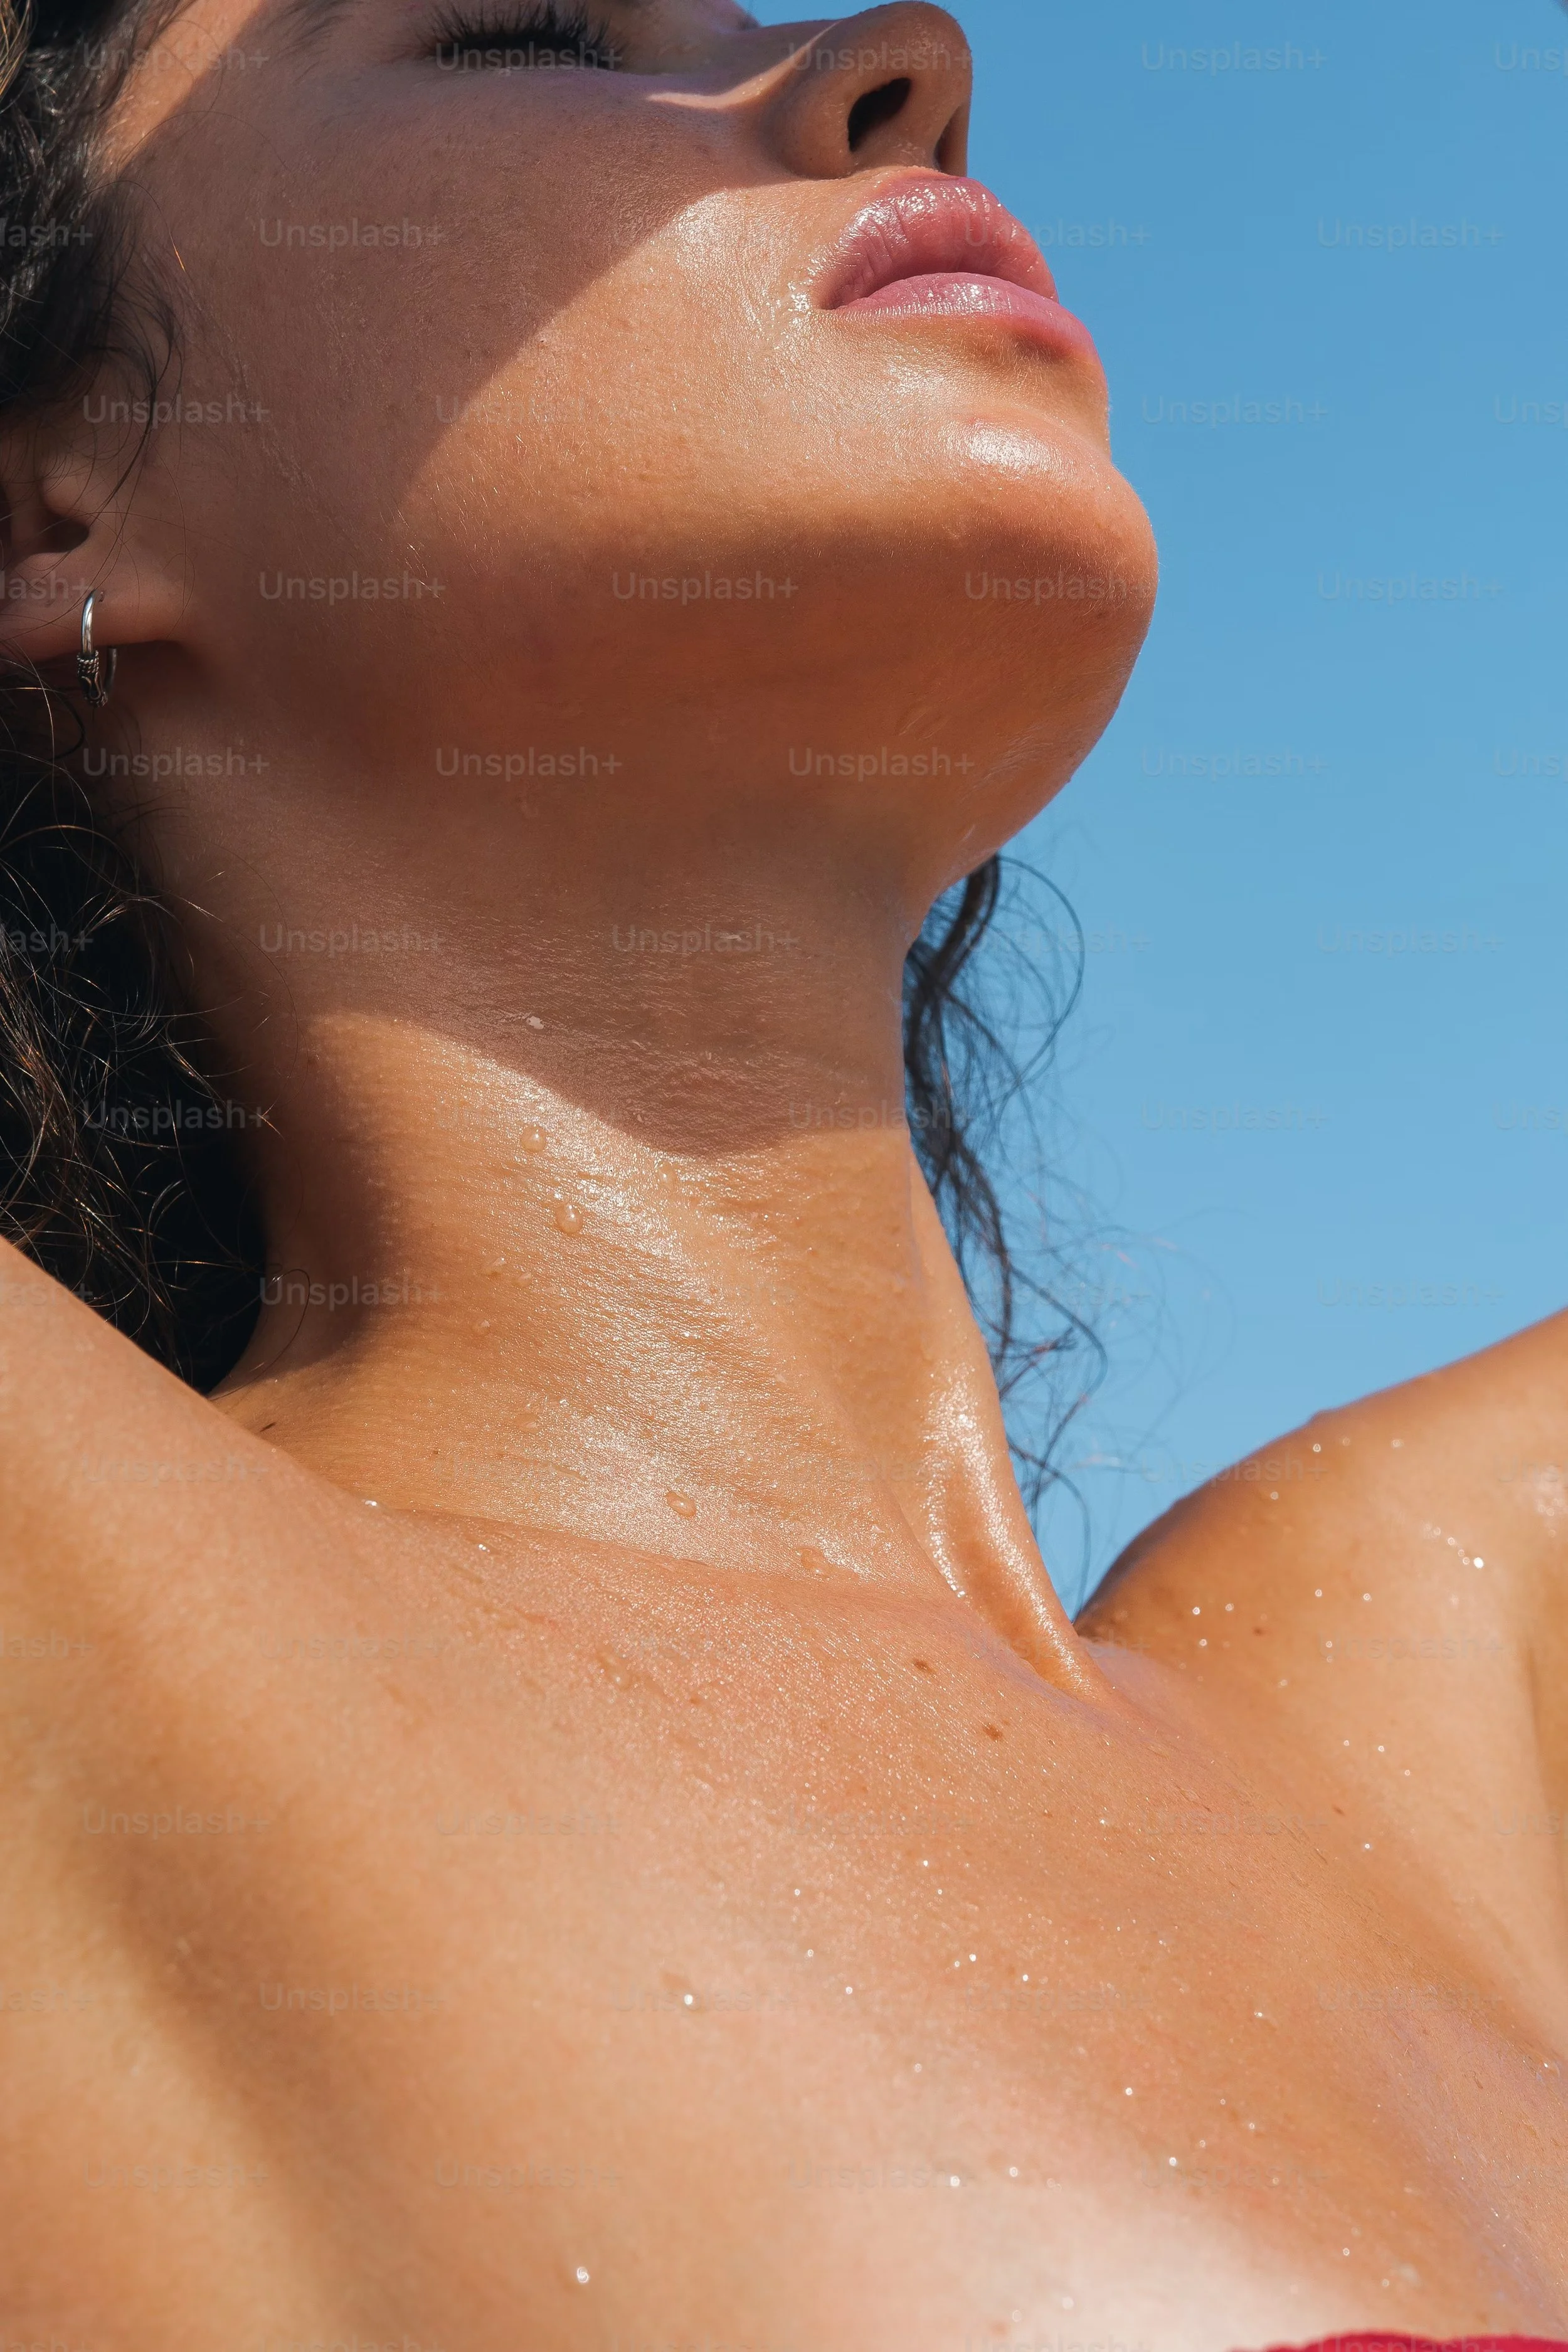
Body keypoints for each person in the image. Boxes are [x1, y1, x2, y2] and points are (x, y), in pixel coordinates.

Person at [1, 0, 1564, 2341]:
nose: (902, 62)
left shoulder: (1440, 1668)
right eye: (515, 29)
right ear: (55, 498)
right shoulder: (69, 1601)